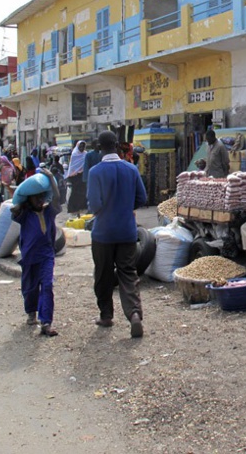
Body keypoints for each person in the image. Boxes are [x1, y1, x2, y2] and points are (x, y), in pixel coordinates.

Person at [87, 130, 148, 338]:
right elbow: (142, 198)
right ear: (117, 145)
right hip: (127, 231)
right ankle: (134, 314)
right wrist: (126, 208)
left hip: (103, 233)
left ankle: (106, 316)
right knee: (128, 274)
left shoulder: (95, 172)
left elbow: (94, 205)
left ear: (99, 147)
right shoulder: (131, 169)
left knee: (103, 275)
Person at [11, 168, 62, 337]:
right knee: (30, 287)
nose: (40, 200)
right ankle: (31, 312)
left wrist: (51, 179)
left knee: (47, 285)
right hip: (29, 255)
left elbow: (57, 199)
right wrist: (21, 201)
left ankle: (46, 322)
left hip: (46, 254)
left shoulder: (49, 211)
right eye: (35, 197)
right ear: (29, 200)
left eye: (41, 197)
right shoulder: (24, 214)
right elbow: (14, 209)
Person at [65, 140, 87, 214]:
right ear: (77, 147)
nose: (82, 148)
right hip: (74, 176)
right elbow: (72, 166)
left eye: (83, 147)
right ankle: (72, 208)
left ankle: (82, 207)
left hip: (82, 175)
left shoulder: (85, 154)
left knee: (83, 192)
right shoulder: (74, 154)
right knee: (75, 192)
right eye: (80, 146)